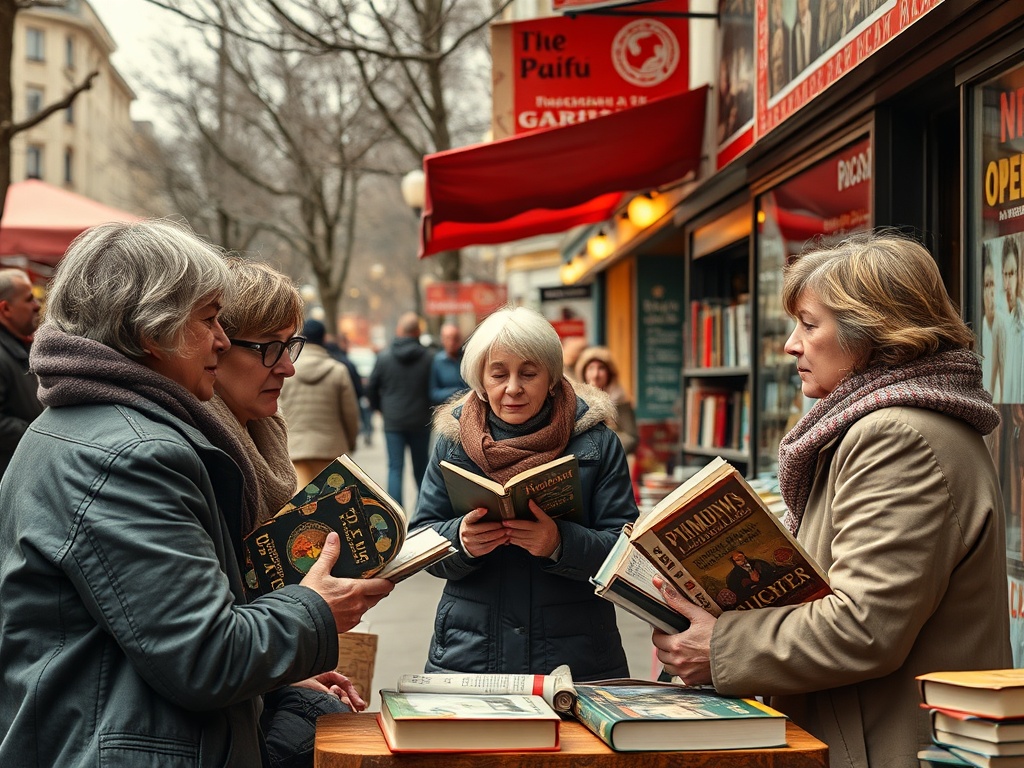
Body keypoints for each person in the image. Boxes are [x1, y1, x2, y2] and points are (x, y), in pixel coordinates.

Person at [0, 220, 394, 767]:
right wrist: (316, 610)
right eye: (208, 319)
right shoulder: (133, 456)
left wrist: (276, 680)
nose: (222, 338)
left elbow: (151, 640)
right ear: (149, 331)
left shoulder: (87, 426)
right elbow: (205, 657)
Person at [652, 232, 1011, 768]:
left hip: (886, 747)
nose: (791, 344)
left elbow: (864, 627)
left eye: (809, 324)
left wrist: (721, 645)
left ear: (875, 332)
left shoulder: (897, 436)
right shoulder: (876, 425)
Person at [411, 305, 639, 681]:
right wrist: (461, 540)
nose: (513, 387)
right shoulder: (451, 443)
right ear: (480, 381)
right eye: (498, 374)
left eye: (528, 373)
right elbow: (422, 539)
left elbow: (628, 551)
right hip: (470, 651)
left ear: (551, 378)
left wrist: (558, 543)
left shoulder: (598, 444)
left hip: (576, 653)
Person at [204, 258, 366, 767]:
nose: (288, 366)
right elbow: (204, 648)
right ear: (216, 345)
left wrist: (290, 670)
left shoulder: (259, 431)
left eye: (290, 345)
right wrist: (313, 611)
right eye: (270, 347)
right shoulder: (197, 454)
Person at [280, 318, 361, 491]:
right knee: (332, 504)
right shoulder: (338, 371)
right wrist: (351, 442)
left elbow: (278, 410)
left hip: (295, 449)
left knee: (300, 505)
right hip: (331, 450)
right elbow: (350, 413)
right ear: (324, 339)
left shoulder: (288, 371)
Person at [366, 312, 433, 507]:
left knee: (395, 468)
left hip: (393, 420)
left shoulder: (384, 357)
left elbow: (371, 387)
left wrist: (381, 408)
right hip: (421, 420)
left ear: (399, 331)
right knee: (421, 468)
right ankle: (425, 511)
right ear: (418, 331)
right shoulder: (429, 357)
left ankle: (396, 512)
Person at [0, 268, 43, 477]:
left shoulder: (19, 346)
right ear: (5, 308)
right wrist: (39, 433)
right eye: (29, 300)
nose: (37, 306)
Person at [575, 346, 638, 457]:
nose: (595, 375)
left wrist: (607, 450)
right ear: (583, 372)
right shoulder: (576, 401)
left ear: (609, 373)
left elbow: (631, 438)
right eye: (591, 368)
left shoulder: (620, 400)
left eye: (601, 368)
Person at [429, 322, 468, 407]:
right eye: (448, 338)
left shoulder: (467, 359)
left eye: (455, 338)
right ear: (442, 340)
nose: (451, 342)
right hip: (446, 409)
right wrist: (455, 392)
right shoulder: (438, 361)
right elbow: (433, 393)